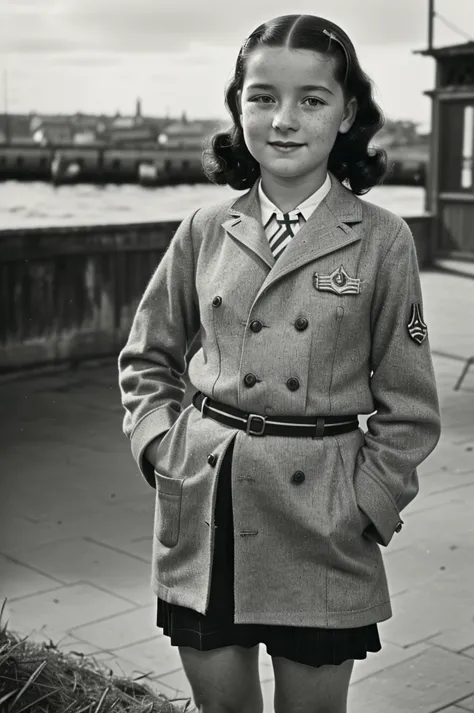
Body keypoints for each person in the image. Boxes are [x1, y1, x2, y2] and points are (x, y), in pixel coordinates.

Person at [118, 13, 441, 713]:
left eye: (312, 99)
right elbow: (146, 356)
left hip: (324, 512)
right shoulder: (204, 228)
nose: (284, 120)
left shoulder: (383, 240)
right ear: (238, 105)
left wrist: (367, 502)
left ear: (347, 112)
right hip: (208, 498)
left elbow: (411, 406)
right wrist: (160, 449)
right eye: (262, 96)